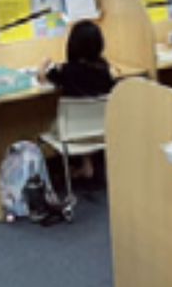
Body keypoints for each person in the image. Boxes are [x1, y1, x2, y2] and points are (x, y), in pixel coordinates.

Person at [37, 20, 115, 180]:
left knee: (59, 123)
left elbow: (42, 78)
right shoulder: (104, 68)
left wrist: (43, 65)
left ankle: (64, 170)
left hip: (71, 133)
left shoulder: (67, 71)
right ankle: (87, 166)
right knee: (87, 117)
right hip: (100, 130)